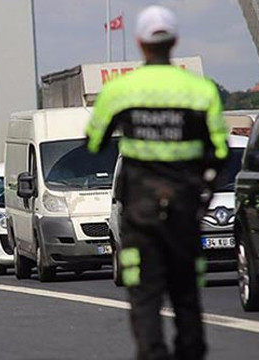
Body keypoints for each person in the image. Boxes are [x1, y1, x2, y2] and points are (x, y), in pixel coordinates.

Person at [86, 6, 229, 360]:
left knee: (145, 296)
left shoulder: (120, 90)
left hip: (141, 214)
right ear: (174, 41)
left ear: (139, 42)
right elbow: (221, 151)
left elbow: (93, 142)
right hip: (184, 210)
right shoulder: (202, 91)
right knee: (186, 295)